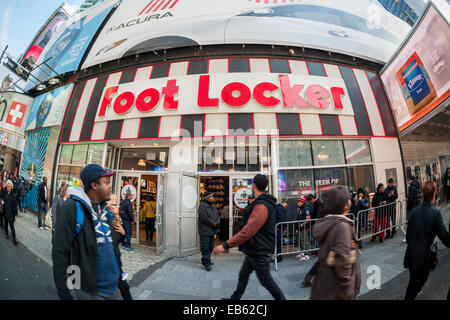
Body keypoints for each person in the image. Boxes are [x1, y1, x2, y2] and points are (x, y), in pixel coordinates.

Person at [52, 164, 126, 300]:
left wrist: (124, 289)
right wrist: (66, 294)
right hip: (90, 292)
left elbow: (111, 249)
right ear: (94, 185)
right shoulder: (72, 208)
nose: (110, 186)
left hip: (114, 289)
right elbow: (60, 252)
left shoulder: (105, 212)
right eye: (106, 182)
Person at [213, 174, 286, 300]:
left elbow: (248, 231)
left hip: (260, 250)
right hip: (254, 249)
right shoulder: (259, 203)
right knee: (243, 274)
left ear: (254, 185)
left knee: (266, 281)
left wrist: (225, 245)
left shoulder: (262, 205)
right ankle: (234, 299)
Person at [310, 187, 361, 300]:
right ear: (344, 204)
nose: (350, 201)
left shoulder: (329, 222)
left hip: (324, 287)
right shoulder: (342, 227)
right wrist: (348, 291)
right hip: (338, 292)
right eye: (348, 199)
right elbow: (342, 263)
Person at [403, 181, 450, 300]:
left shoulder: (414, 211)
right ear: (434, 194)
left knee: (412, 285)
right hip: (422, 259)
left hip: (411, 255)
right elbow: (445, 238)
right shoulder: (435, 213)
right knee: (415, 286)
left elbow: (408, 236)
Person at [198, 191, 220, 271]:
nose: (212, 198)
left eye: (212, 196)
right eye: (211, 197)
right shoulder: (202, 206)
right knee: (205, 247)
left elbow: (217, 215)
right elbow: (205, 218)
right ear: (206, 198)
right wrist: (215, 224)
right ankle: (206, 263)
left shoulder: (213, 206)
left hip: (212, 230)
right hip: (205, 230)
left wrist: (218, 223)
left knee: (210, 247)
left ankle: (206, 259)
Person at [0, 180, 18, 245]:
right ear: (6, 186)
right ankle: (6, 234)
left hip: (11, 212)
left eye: (11, 187)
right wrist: (1, 200)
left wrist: (16, 213)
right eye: (8, 186)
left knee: (12, 226)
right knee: (6, 223)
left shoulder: (13, 194)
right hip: (5, 211)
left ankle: (14, 239)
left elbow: (15, 204)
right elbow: (0, 197)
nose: (9, 188)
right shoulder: (4, 191)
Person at [273, 199, 286, 263]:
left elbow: (281, 219)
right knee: (276, 243)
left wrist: (278, 227)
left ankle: (279, 258)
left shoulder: (279, 208)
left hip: (278, 228)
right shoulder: (277, 208)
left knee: (278, 243)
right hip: (278, 228)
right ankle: (277, 257)